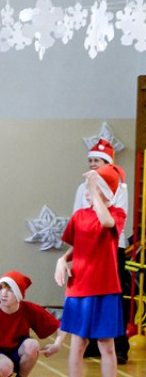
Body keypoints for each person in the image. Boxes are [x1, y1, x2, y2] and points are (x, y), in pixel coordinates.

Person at [55, 164, 129, 377]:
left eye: (96, 188)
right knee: (77, 344)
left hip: (106, 288)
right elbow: (77, 247)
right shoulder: (79, 217)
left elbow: (106, 220)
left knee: (107, 345)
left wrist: (95, 187)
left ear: (108, 192)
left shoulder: (117, 213)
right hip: (80, 289)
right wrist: (61, 260)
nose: (88, 192)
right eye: (89, 188)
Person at [72, 139, 130, 364]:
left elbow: (116, 217)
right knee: (89, 296)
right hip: (88, 249)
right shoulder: (81, 187)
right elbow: (78, 215)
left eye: (97, 160)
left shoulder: (120, 186)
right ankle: (93, 342)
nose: (92, 163)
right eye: (90, 160)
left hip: (111, 248)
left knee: (114, 297)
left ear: (107, 162)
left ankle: (119, 345)